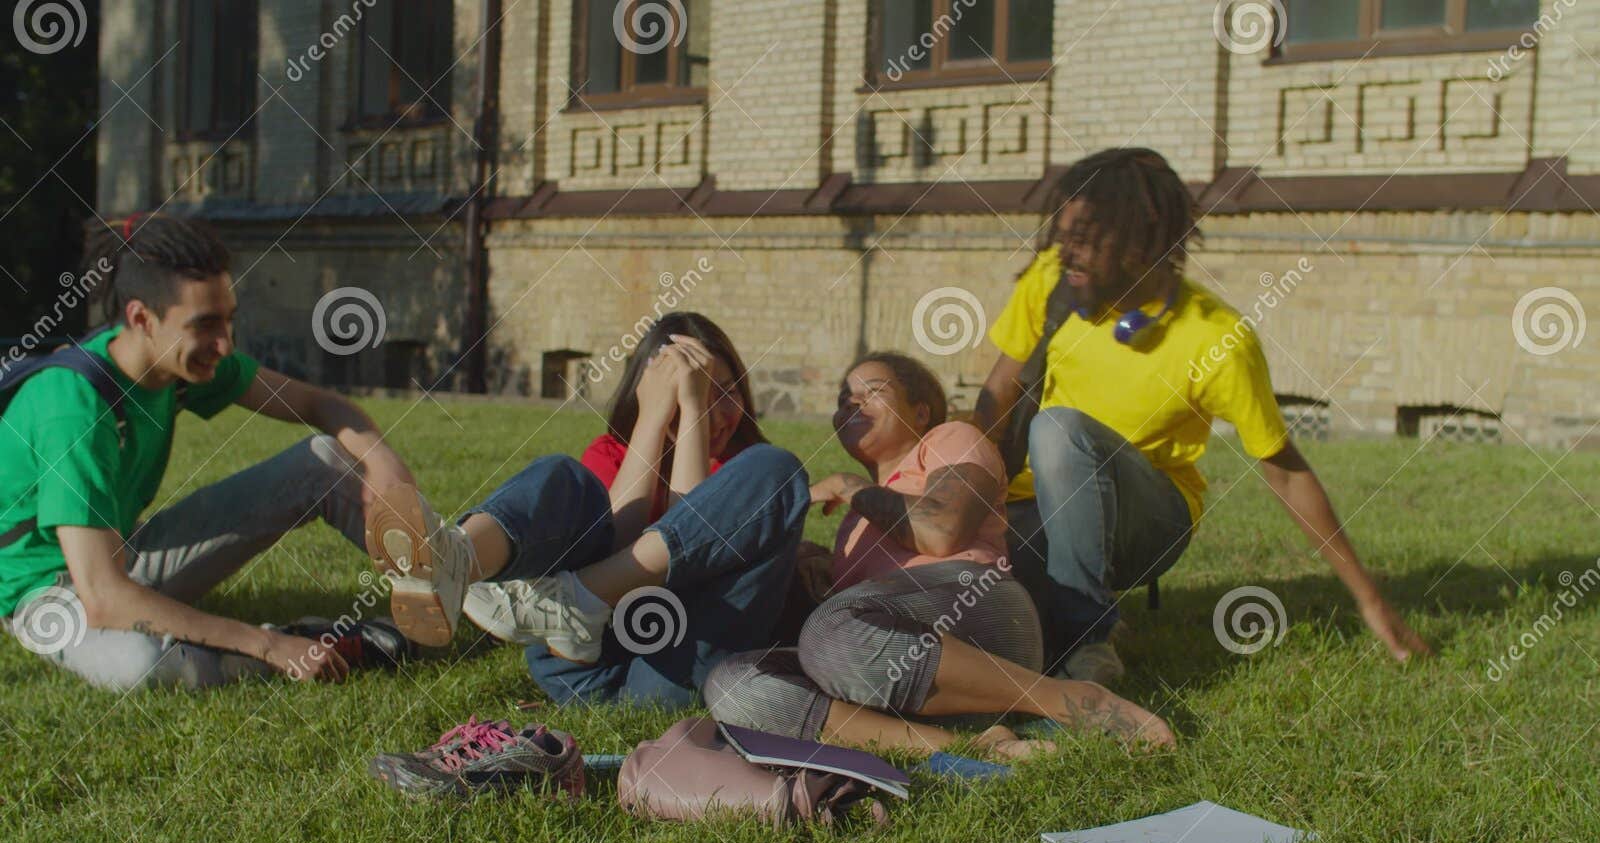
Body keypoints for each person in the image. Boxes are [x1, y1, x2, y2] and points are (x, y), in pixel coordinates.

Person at [972, 147, 1432, 683]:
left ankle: (1086, 641)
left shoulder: (1217, 339)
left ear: (1139, 242)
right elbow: (999, 392)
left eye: (1084, 240)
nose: (1065, 253)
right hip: (1039, 509)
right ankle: (1071, 608)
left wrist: (1372, 603)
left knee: (1058, 429)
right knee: (980, 607)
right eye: (1064, 235)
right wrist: (957, 493)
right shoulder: (1056, 279)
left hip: (1147, 520)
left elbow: (1284, 470)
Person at [0, 214, 419, 690]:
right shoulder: (73, 408)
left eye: (229, 319)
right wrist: (266, 645)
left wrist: (384, 466)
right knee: (143, 667)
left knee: (326, 458)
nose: (225, 343)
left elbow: (316, 403)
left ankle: (458, 585)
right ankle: (312, 641)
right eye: (206, 325)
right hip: (49, 598)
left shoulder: (174, 361)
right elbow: (103, 597)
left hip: (118, 556)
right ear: (142, 318)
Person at [704, 352, 1176, 759]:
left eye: (872, 391)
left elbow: (939, 530)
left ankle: (1064, 698)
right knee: (732, 684)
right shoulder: (855, 521)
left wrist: (854, 490)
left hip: (979, 612)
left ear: (922, 410)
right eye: (843, 398)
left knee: (829, 634)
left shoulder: (950, 440)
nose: (851, 402)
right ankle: (963, 746)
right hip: (897, 672)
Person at [367, 312, 810, 709]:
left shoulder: (747, 474)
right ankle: (456, 560)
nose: (717, 412)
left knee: (778, 469)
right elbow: (616, 534)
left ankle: (575, 601)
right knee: (565, 477)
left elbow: (690, 551)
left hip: (673, 669)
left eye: (725, 392)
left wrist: (692, 407)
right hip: (577, 667)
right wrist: (652, 420)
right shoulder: (615, 453)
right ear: (647, 392)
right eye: (697, 392)